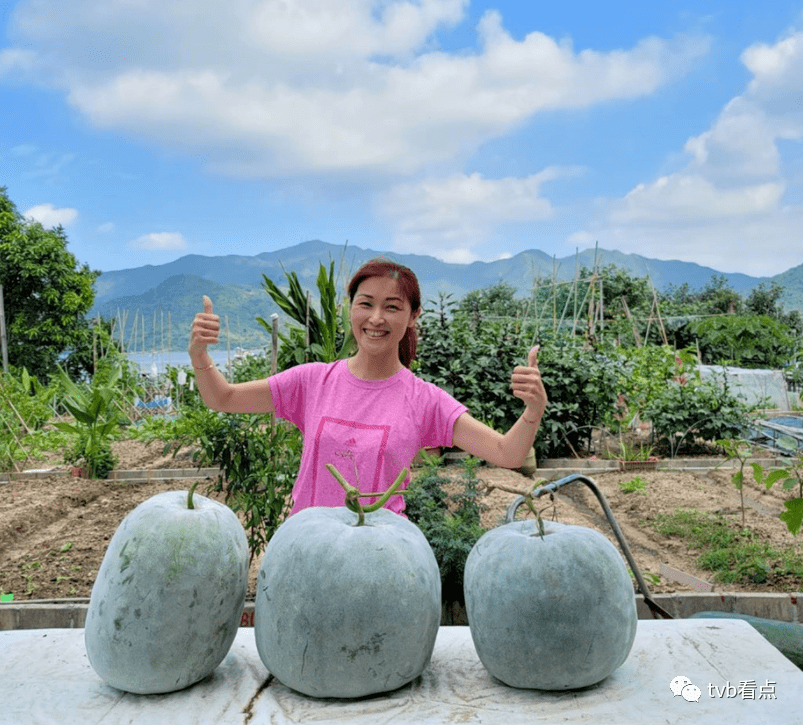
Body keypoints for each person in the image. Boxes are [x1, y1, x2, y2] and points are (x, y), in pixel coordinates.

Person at [188, 259, 547, 516]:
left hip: (379, 561)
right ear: (351, 309)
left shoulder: (424, 400)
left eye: (392, 307)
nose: (376, 318)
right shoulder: (312, 381)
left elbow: (506, 453)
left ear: (412, 316)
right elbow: (223, 397)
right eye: (366, 304)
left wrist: (533, 410)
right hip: (304, 551)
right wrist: (199, 355)